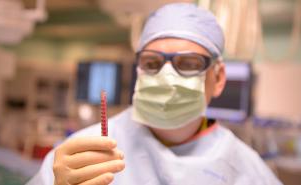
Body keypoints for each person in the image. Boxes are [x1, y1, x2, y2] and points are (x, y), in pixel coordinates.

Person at [27, 3, 282, 185]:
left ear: (219, 78)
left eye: (189, 64)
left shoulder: (244, 168)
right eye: (152, 63)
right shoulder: (79, 156)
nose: (166, 76)